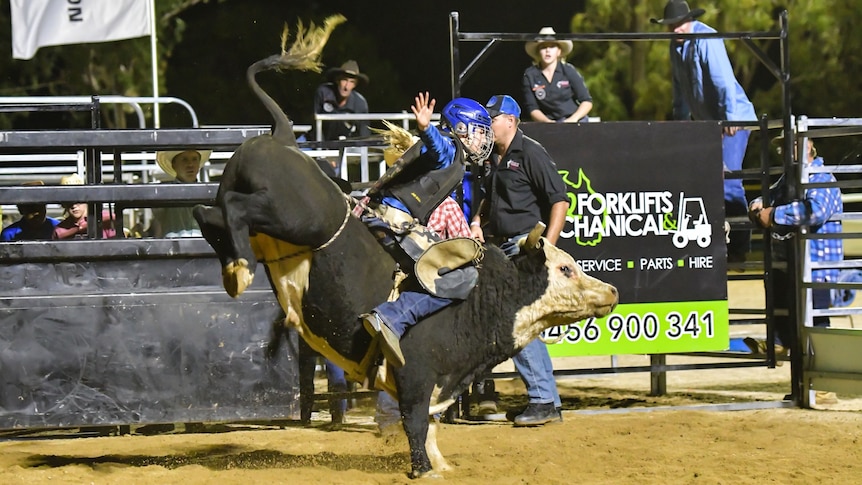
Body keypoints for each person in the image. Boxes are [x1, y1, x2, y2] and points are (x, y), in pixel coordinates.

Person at [361, 92, 494, 368]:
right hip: (391, 221)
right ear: (461, 129)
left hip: (388, 217)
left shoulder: (453, 158)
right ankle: (391, 319)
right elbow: (437, 146)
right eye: (480, 131)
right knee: (462, 276)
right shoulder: (448, 150)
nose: (484, 139)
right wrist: (426, 128)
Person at [470, 94, 569, 427]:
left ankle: (543, 400)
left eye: (492, 119)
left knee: (519, 323)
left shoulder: (530, 153)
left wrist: (546, 249)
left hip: (522, 248)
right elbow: (487, 198)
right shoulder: (490, 158)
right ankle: (547, 401)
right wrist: (476, 221)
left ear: (510, 121)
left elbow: (559, 201)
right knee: (519, 324)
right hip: (500, 249)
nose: (486, 126)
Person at [651, 0, 757, 264]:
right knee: (707, 181)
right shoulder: (677, 46)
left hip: (732, 119)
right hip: (710, 124)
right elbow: (680, 90)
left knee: (729, 181)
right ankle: (718, 244)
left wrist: (728, 118)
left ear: (689, 21)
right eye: (671, 26)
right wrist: (681, 125)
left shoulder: (706, 37)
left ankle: (740, 248)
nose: (675, 30)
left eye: (678, 24)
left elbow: (722, 82)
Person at [745, 136, 843, 356]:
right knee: (786, 310)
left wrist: (775, 214)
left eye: (789, 146)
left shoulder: (820, 177)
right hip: (794, 263)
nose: (783, 151)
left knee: (814, 323)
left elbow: (816, 211)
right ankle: (779, 344)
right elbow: (769, 197)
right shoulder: (789, 180)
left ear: (807, 147)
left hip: (817, 268)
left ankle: (820, 378)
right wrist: (758, 205)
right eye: (782, 147)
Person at [521, 27, 593, 124]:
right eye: (543, 47)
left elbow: (587, 101)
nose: (547, 50)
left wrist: (573, 120)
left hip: (575, 121)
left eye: (552, 46)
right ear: (538, 51)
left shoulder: (568, 70)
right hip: (547, 124)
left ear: (559, 51)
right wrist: (548, 123)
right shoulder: (530, 75)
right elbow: (532, 108)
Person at [150, 149, 211, 238]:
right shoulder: (164, 192)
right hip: (174, 248)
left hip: (202, 247)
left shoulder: (208, 191)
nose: (190, 164)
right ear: (174, 165)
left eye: (194, 159)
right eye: (184, 160)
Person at [313, 60, 370, 142]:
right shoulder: (323, 93)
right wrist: (321, 150)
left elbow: (364, 133)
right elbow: (315, 123)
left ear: (355, 85)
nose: (346, 86)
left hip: (344, 146)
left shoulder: (360, 103)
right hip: (317, 142)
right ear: (337, 80)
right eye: (344, 80)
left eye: (351, 82)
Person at [53, 173, 119, 240]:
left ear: (85, 198)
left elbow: (118, 247)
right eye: (68, 201)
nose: (74, 205)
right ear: (64, 204)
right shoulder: (59, 230)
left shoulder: (106, 219)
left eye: (77, 199)